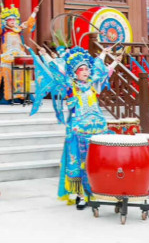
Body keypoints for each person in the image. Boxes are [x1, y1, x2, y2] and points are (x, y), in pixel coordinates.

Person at [33, 45, 121, 208]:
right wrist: (45, 56)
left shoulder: (93, 84)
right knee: (79, 162)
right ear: (75, 72)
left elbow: (101, 71)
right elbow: (57, 70)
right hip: (78, 130)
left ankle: (97, 190)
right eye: (82, 69)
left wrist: (110, 58)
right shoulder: (70, 86)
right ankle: (81, 195)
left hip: (98, 130)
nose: (86, 72)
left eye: (87, 69)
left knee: (97, 162)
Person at [0, 3, 39, 104]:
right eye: (10, 20)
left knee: (23, 74)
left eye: (14, 20)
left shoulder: (18, 29)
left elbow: (29, 23)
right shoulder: (3, 30)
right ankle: (8, 97)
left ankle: (23, 96)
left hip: (19, 55)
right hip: (7, 56)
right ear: (6, 21)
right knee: (7, 75)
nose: (12, 21)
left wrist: (34, 12)